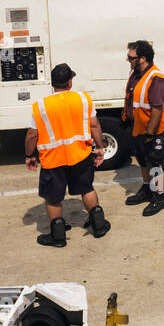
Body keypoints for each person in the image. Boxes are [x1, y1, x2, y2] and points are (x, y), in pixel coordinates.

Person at [25, 62, 109, 247]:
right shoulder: (83, 99)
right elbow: (94, 125)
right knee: (86, 188)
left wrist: (29, 155)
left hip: (53, 160)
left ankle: (58, 236)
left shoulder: (41, 106)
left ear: (53, 83)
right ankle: (99, 225)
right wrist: (100, 147)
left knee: (53, 198)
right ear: (69, 82)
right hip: (80, 155)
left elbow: (32, 134)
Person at [122, 39, 164, 216]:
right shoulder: (136, 74)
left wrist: (150, 134)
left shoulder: (156, 79)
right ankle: (147, 189)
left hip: (152, 131)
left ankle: (159, 196)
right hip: (138, 128)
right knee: (142, 160)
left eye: (131, 57)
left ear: (142, 59)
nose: (128, 60)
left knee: (156, 161)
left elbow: (157, 110)